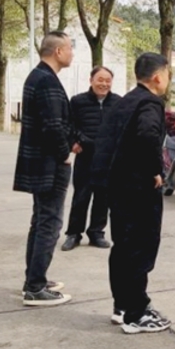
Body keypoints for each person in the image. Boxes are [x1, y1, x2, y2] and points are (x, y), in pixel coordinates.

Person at [92, 53, 172, 334]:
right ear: (157, 77)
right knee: (140, 247)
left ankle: (122, 306)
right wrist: (155, 170)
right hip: (138, 188)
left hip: (117, 186)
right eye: (167, 74)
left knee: (123, 247)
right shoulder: (150, 103)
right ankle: (136, 313)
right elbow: (148, 135)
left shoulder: (124, 101)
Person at [13, 31, 77, 307]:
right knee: (50, 222)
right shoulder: (47, 81)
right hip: (49, 164)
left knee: (40, 220)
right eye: (70, 48)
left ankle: (34, 278)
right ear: (58, 51)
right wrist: (65, 154)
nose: (72, 53)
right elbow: (52, 125)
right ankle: (35, 288)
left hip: (40, 162)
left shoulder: (38, 76)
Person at [62, 66, 121, 251]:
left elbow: (122, 127)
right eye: (100, 79)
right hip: (85, 155)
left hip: (107, 159)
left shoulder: (118, 102)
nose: (104, 84)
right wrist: (73, 142)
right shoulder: (78, 101)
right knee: (81, 196)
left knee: (103, 198)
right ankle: (74, 234)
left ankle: (96, 233)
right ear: (91, 80)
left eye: (108, 80)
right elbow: (68, 124)